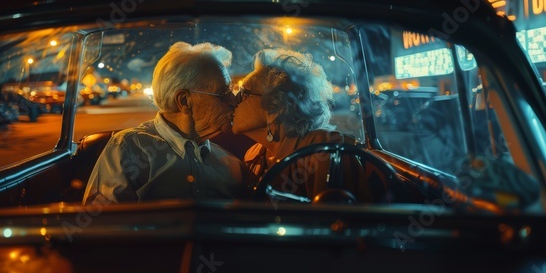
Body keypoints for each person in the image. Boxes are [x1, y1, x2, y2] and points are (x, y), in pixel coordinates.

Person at [83, 41, 243, 204]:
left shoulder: (231, 165)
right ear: (184, 101)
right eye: (224, 93)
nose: (234, 100)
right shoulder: (129, 149)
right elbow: (103, 219)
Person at [231, 48, 374, 202]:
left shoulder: (323, 151)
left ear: (275, 109)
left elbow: (335, 215)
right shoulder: (254, 155)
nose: (234, 100)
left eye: (244, 94)